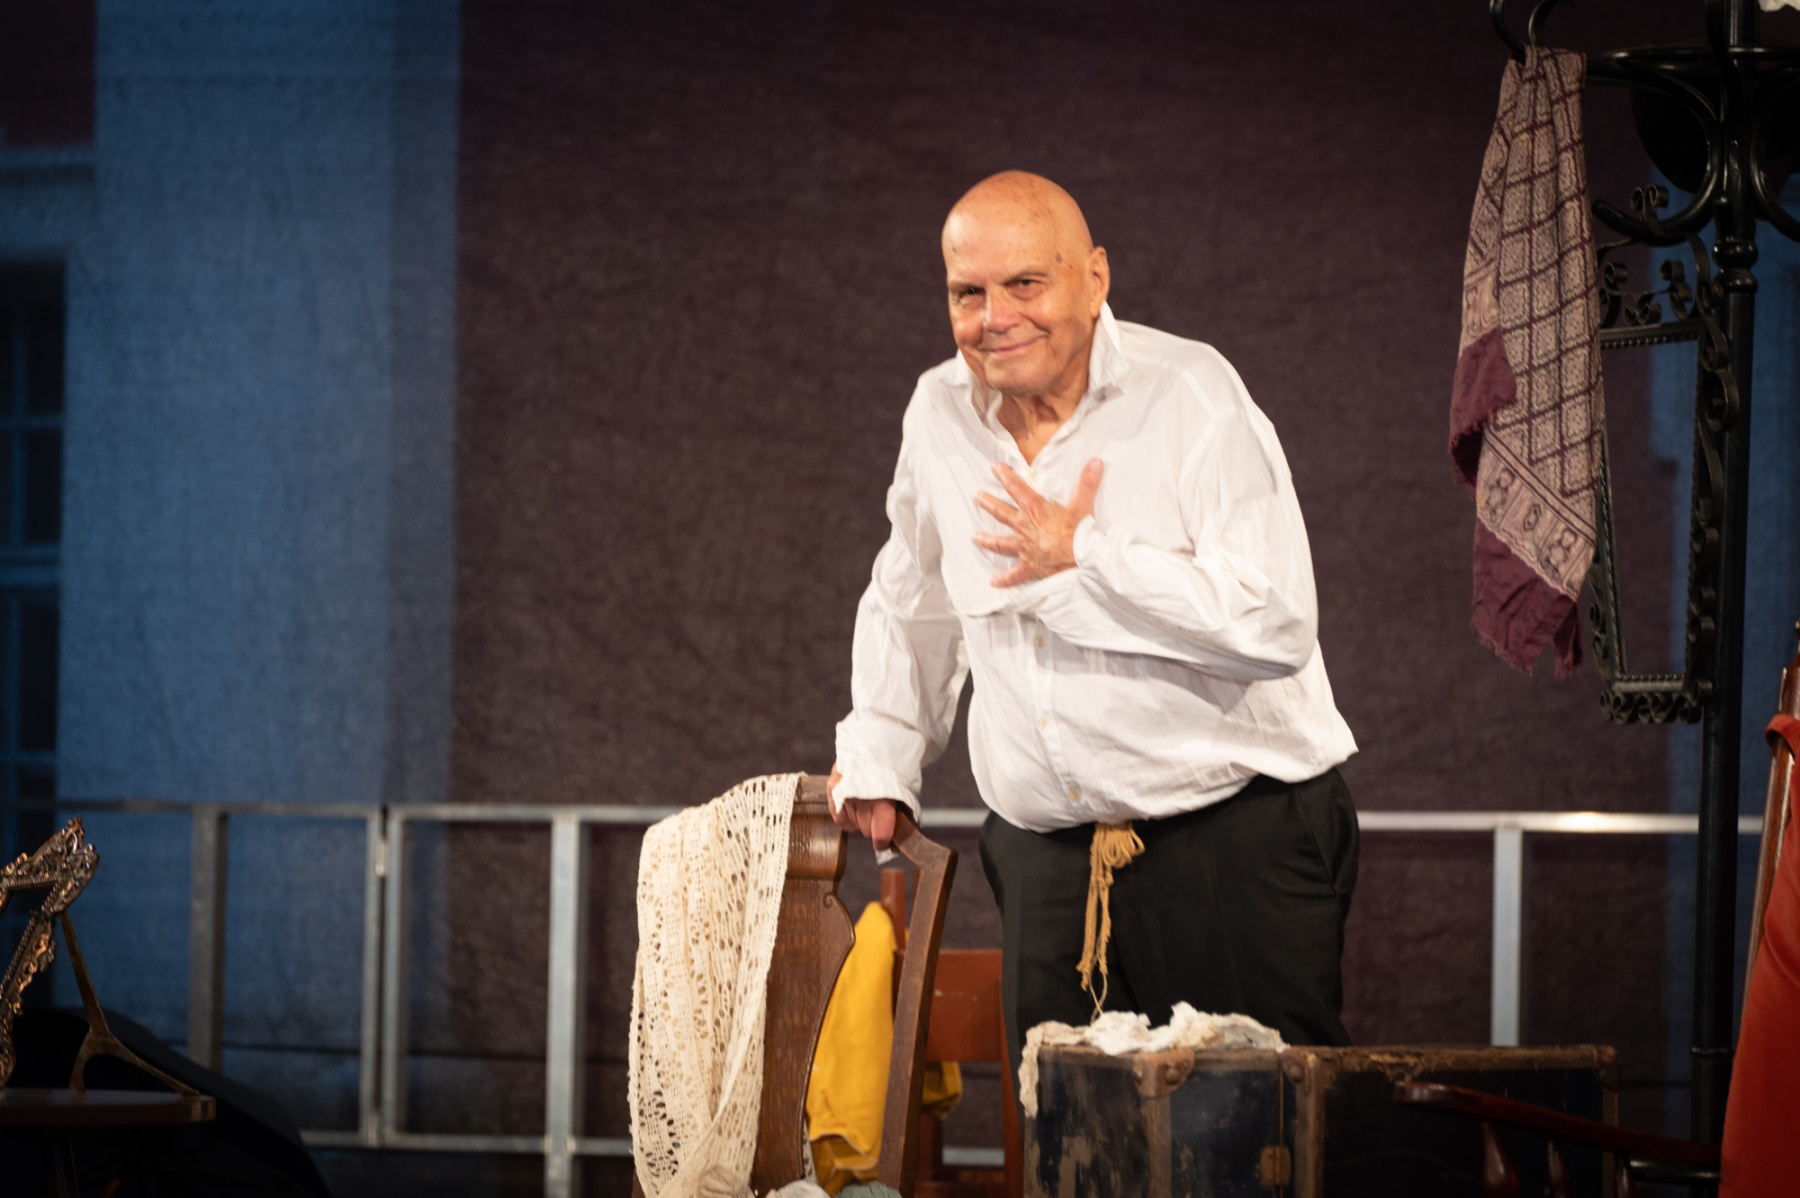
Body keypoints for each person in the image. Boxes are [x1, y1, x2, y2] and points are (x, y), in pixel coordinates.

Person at [828, 171, 1360, 1071]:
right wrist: (884, 751)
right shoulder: (938, 410)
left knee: (1255, 1133)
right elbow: (912, 593)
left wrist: (1088, 556)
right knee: (1072, 1135)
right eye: (968, 293)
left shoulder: (1189, 392)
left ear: (1094, 278)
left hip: (1233, 843)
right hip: (1046, 863)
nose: (995, 318)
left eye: (1025, 284)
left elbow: (1275, 622)